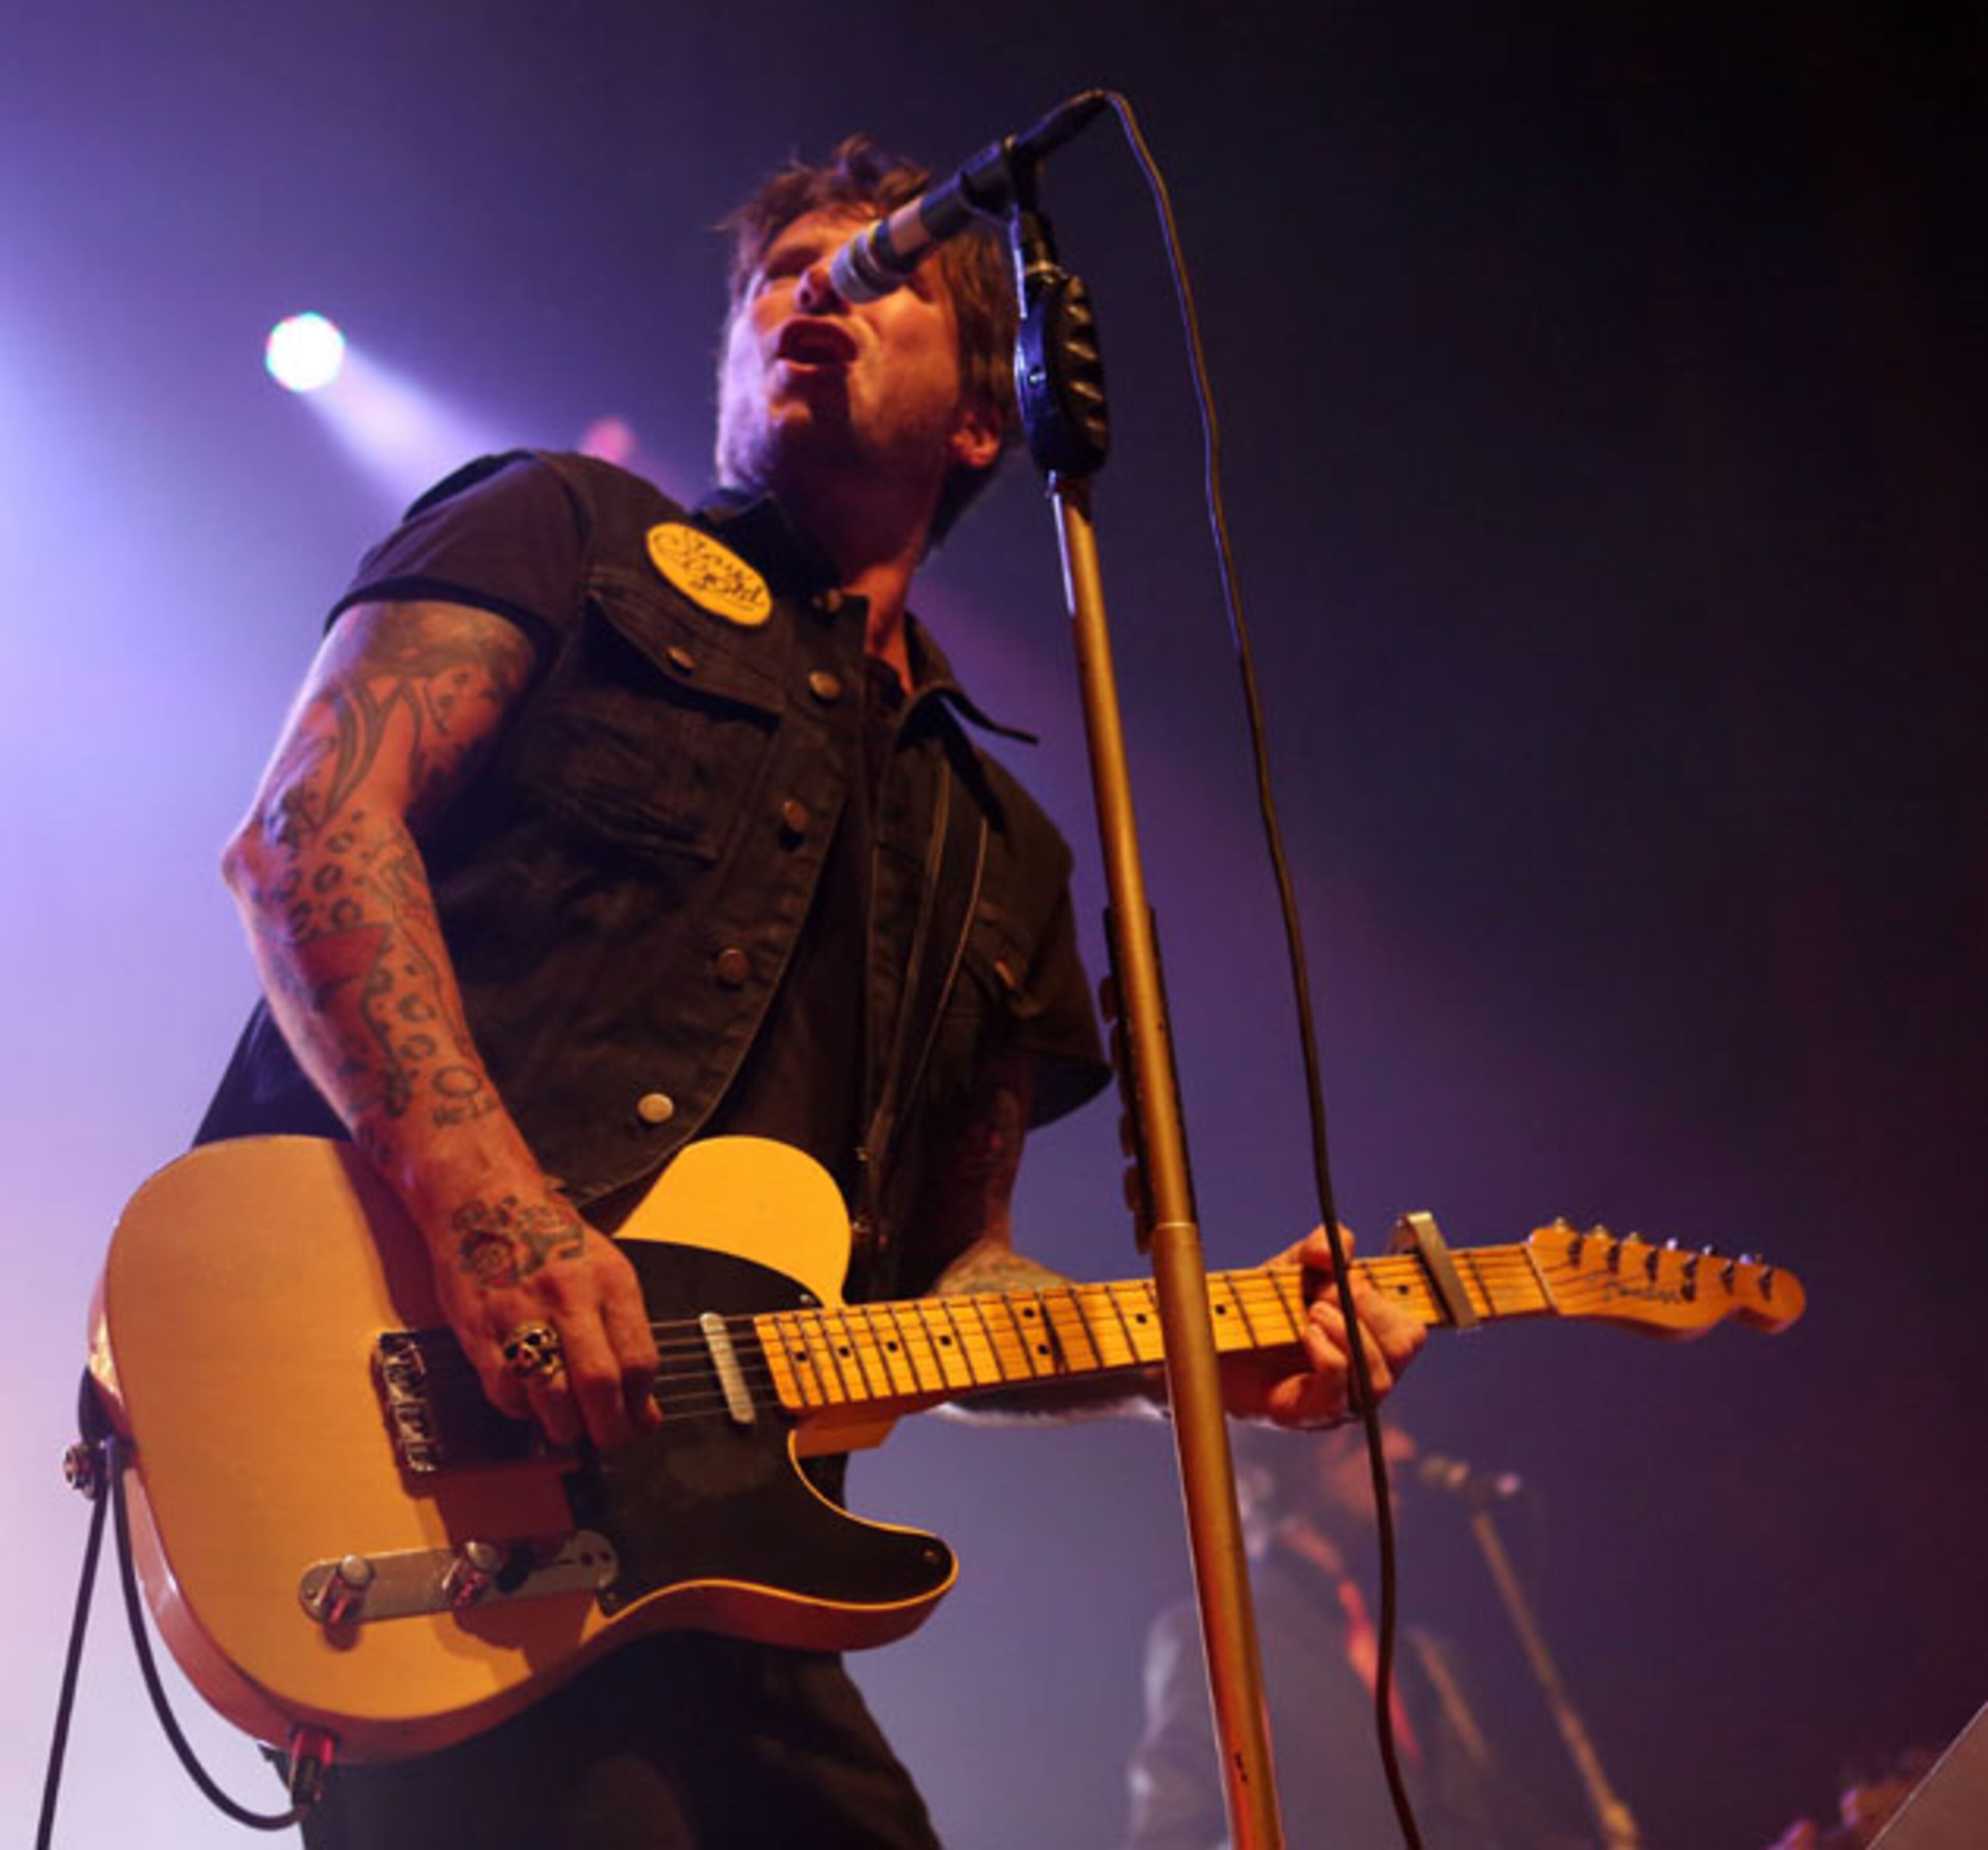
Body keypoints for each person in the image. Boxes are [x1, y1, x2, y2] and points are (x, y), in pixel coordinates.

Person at [200, 135, 1426, 1848]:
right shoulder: (567, 532)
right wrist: (497, 1212)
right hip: (438, 1478)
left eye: (881, 274)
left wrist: (1202, 1345)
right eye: (782, 273)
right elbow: (312, 838)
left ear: (988, 417)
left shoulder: (1002, 848)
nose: (810, 291)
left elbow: (949, 1278)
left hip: (715, 1577)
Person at [1123, 1422, 1577, 1848]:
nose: (1402, 1448)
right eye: (1363, 1433)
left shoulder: (1425, 1657)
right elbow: (1174, 1836)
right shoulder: (1218, 1636)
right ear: (1293, 1457)